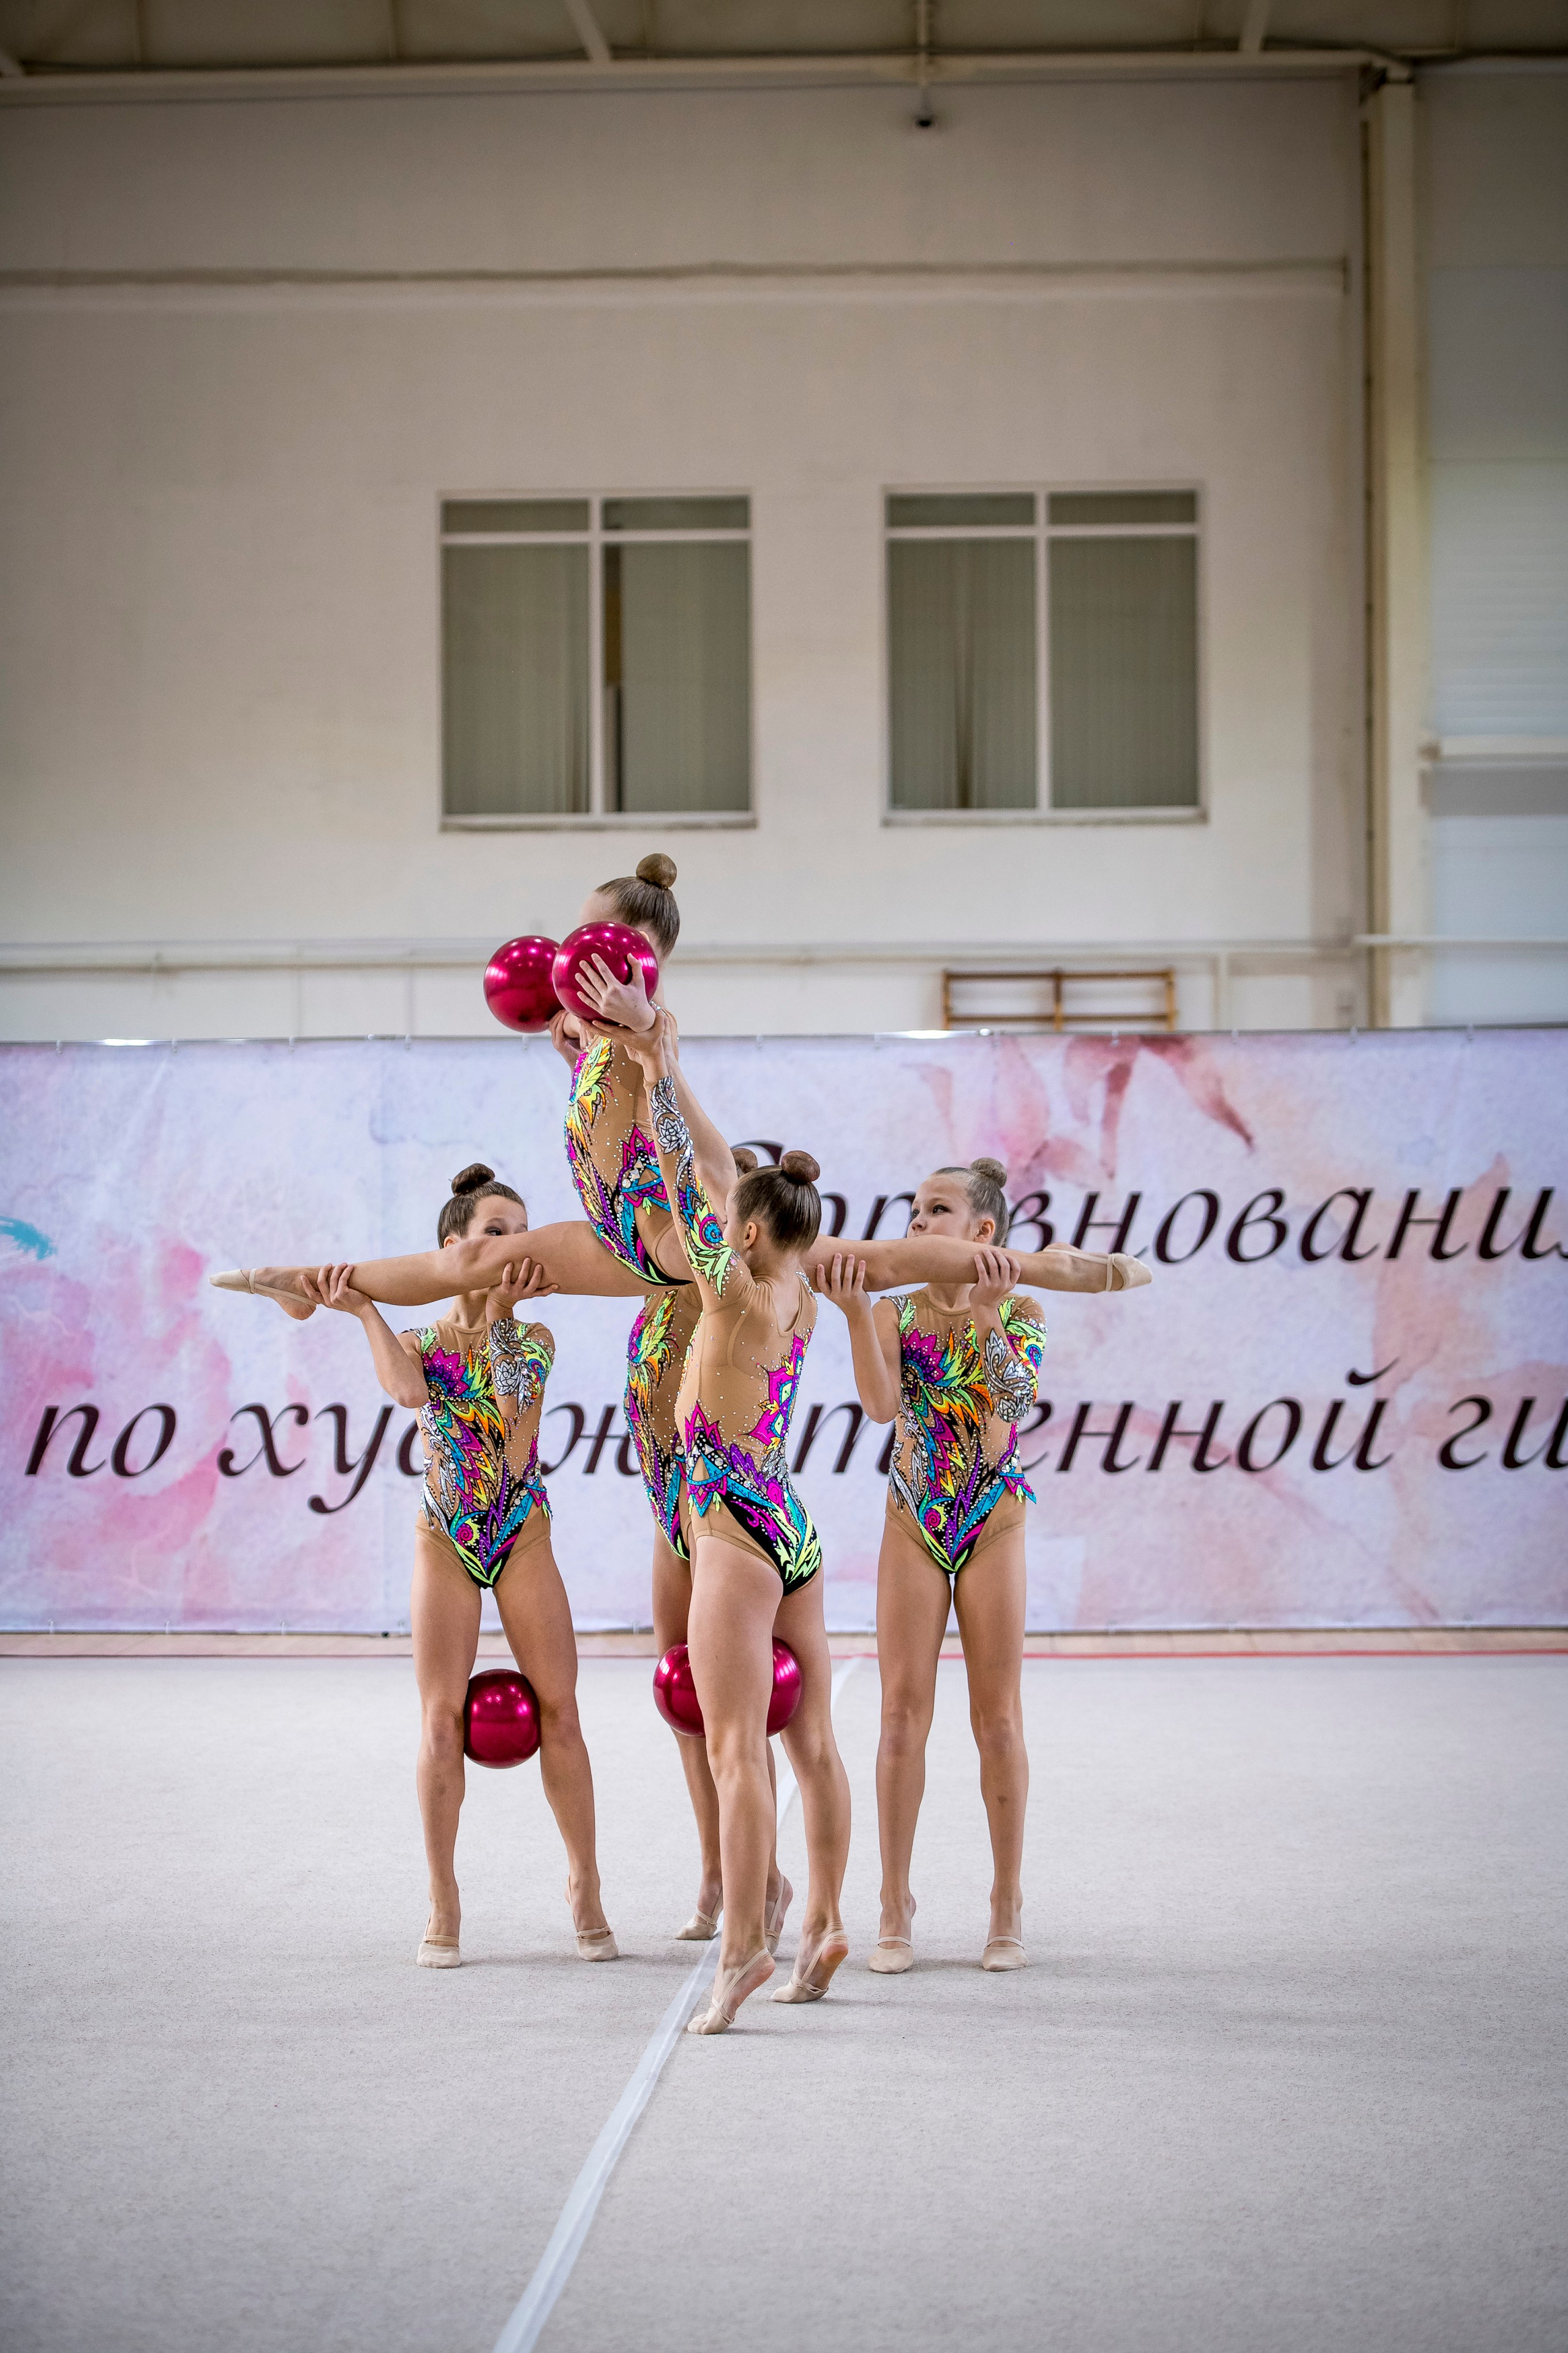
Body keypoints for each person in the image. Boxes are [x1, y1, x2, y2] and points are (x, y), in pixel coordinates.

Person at [297, 1163, 616, 1971]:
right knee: (440, 1720)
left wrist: (505, 1319)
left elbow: (514, 1444)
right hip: (444, 1531)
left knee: (562, 1712)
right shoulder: (423, 1341)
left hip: (520, 1528)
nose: (515, 1243)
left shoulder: (536, 1338)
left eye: (522, 1230)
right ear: (453, 1247)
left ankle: (584, 1879)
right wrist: (365, 1307)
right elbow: (407, 1392)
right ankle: (444, 1894)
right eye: (496, 1231)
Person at [816, 1159, 1109, 1976]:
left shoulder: (1022, 1307)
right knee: (901, 1716)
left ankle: (1006, 1898)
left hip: (992, 1515)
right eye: (911, 1210)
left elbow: (1007, 1415)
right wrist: (848, 1312)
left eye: (935, 1210)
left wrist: (983, 1318)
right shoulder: (894, 1312)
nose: (916, 1223)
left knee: (998, 1719)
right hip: (913, 1515)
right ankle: (893, 1899)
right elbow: (880, 1409)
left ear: (983, 1232)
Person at [623, 1010, 850, 2034]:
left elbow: (684, 1174)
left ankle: (747, 1946)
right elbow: (713, 1183)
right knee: (816, 1749)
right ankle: (827, 1918)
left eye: (730, 1218)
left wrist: (655, 1075)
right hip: (791, 1521)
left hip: (731, 1527)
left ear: (748, 1232)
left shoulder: (731, 1290)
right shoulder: (800, 1295)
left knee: (733, 1752)